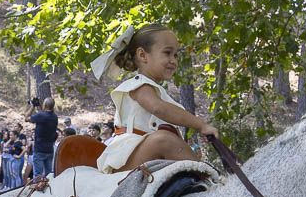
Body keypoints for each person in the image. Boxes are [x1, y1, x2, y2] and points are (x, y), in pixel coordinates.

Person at [92, 24, 218, 172]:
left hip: (149, 155)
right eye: (167, 53)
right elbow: (158, 108)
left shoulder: (157, 91)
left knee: (170, 141)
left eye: (176, 55)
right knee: (163, 139)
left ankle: (200, 176)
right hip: (127, 158)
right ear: (143, 55)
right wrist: (201, 125)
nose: (173, 60)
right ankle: (206, 175)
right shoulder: (139, 85)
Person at [28, 97, 59, 178]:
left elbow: (26, 118)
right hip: (49, 150)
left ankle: (37, 190)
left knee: (38, 175)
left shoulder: (41, 115)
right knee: (49, 175)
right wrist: (39, 106)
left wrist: (32, 106)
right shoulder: (55, 117)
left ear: (44, 105)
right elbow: (44, 115)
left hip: (39, 150)